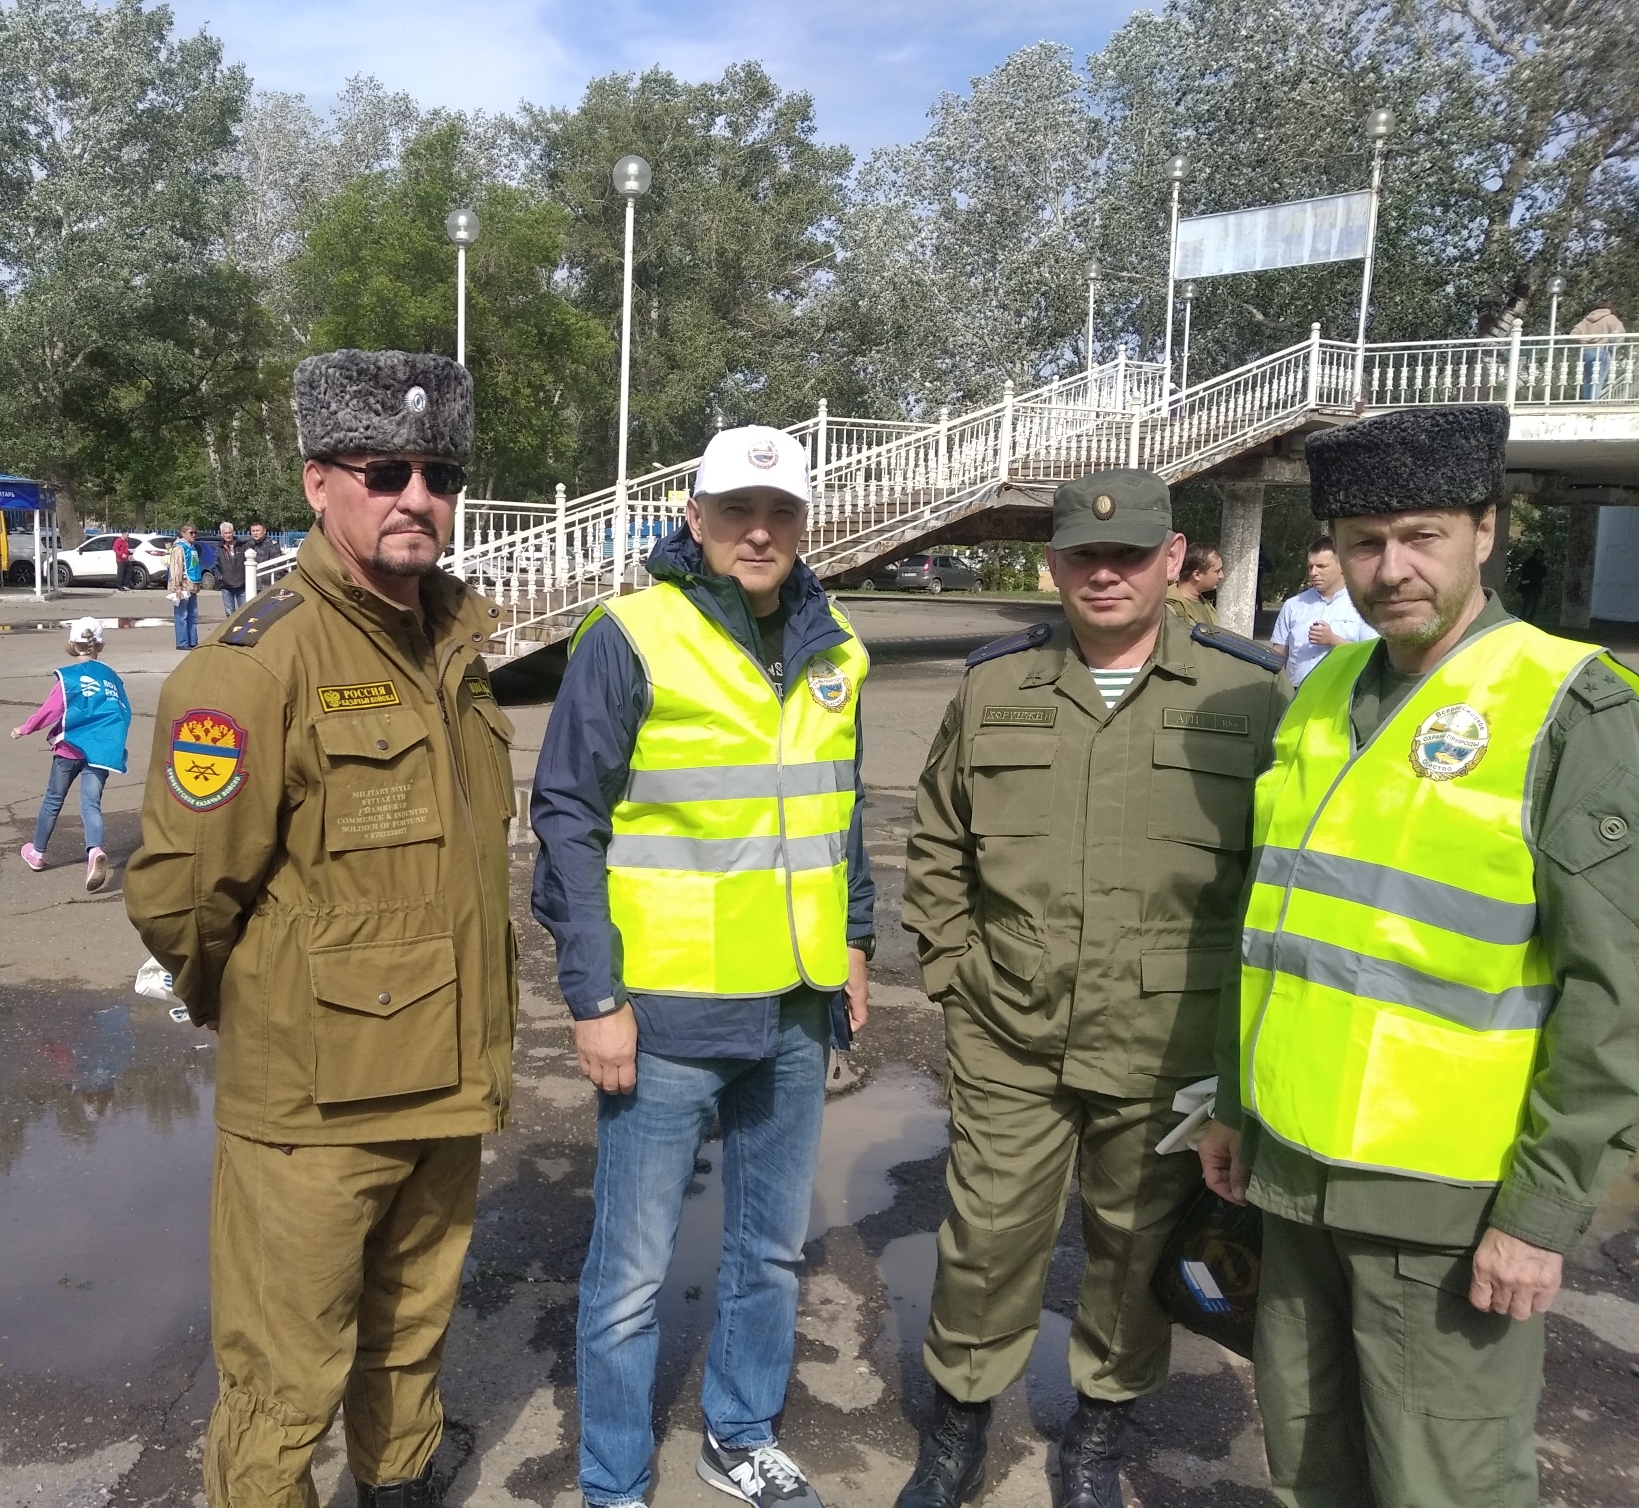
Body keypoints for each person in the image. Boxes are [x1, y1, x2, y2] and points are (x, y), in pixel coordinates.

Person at [1197, 405, 1639, 1508]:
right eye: (1361, 541)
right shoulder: (1327, 693)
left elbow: (1613, 997)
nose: (1389, 568)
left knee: (1444, 1483)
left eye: (1421, 534)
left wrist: (1539, 1216)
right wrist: (1232, 1105)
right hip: (1295, 1176)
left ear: (1484, 530)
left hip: (1444, 1202)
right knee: (1308, 1463)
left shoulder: (1569, 706)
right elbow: (1273, 928)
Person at [125, 350, 518, 1508]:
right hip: (313, 1109)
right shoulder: (254, 665)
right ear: (316, 483)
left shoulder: (453, 648)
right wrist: (247, 1008)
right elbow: (181, 893)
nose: (416, 496)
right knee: (283, 1382)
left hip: (445, 1083)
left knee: (410, 1347)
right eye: (383, 468)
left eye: (439, 473)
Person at [896, 469, 1290, 1508]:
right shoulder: (993, 686)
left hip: (1168, 1038)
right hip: (1008, 1032)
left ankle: (1096, 1436)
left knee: (1130, 1249)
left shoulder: (1248, 694)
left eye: (1130, 554)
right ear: (1052, 564)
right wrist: (951, 969)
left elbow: (1280, 874)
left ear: (1173, 559)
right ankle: (956, 1431)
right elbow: (935, 838)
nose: (1104, 572)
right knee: (984, 1237)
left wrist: (1243, 1044)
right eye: (1083, 555)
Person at [532, 424, 874, 1508]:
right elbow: (567, 815)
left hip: (795, 1002)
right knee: (628, 1277)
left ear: (806, 524)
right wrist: (594, 992)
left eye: (779, 513)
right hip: (667, 1010)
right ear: (695, 518)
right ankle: (613, 1481)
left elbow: (841, 815)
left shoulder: (836, 648)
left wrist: (855, 940)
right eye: (736, 511)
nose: (759, 531)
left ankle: (737, 1432)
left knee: (770, 1252)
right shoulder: (630, 635)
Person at [11, 616, 131, 891]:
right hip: (101, 749)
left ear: (72, 644)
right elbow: (123, 713)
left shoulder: (70, 678)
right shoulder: (112, 679)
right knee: (91, 804)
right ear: (99, 645)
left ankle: (37, 852)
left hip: (69, 748)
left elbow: (50, 711)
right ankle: (94, 850)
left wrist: (24, 729)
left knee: (53, 800)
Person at [1268, 535, 1376, 688]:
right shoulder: (1293, 605)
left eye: (1321, 566)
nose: (1314, 573)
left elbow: (1371, 655)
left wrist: (1333, 640)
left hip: (1341, 693)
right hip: (1296, 693)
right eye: (1310, 567)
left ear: (1342, 567)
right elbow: (1278, 653)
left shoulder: (1362, 605)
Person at [1571, 299, 1624, 400]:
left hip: (1586, 352)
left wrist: (1585, 340)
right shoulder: (1611, 318)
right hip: (1602, 351)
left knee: (1589, 380)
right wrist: (1607, 339)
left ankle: (1587, 404)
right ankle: (1592, 405)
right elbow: (1620, 332)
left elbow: (1574, 333)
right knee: (1598, 380)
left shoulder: (1586, 320)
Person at [1165, 540, 1223, 625]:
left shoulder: (1206, 605)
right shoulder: (1169, 607)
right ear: (1197, 575)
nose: (1221, 576)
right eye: (1217, 571)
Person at [167, 524, 202, 649]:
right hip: (183, 587)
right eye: (191, 533)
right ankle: (182, 642)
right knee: (182, 615)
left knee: (193, 615)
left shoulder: (192, 547)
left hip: (192, 586)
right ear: (183, 533)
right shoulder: (179, 548)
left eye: (195, 533)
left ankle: (193, 640)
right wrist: (177, 587)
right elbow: (176, 569)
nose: (194, 535)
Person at [215, 520, 248, 615]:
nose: (228, 535)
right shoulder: (219, 548)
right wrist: (220, 578)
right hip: (226, 586)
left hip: (242, 586)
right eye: (225, 533)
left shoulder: (242, 546)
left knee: (245, 612)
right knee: (230, 613)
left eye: (230, 532)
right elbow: (215, 565)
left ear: (233, 532)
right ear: (221, 534)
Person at [1518, 546, 1548, 621]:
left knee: (1532, 607)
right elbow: (1534, 575)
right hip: (1530, 588)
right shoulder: (1531, 563)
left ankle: (1528, 621)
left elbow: (1543, 574)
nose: (1541, 558)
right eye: (1540, 556)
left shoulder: (1538, 564)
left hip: (1535, 588)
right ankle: (1524, 621)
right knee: (1528, 607)